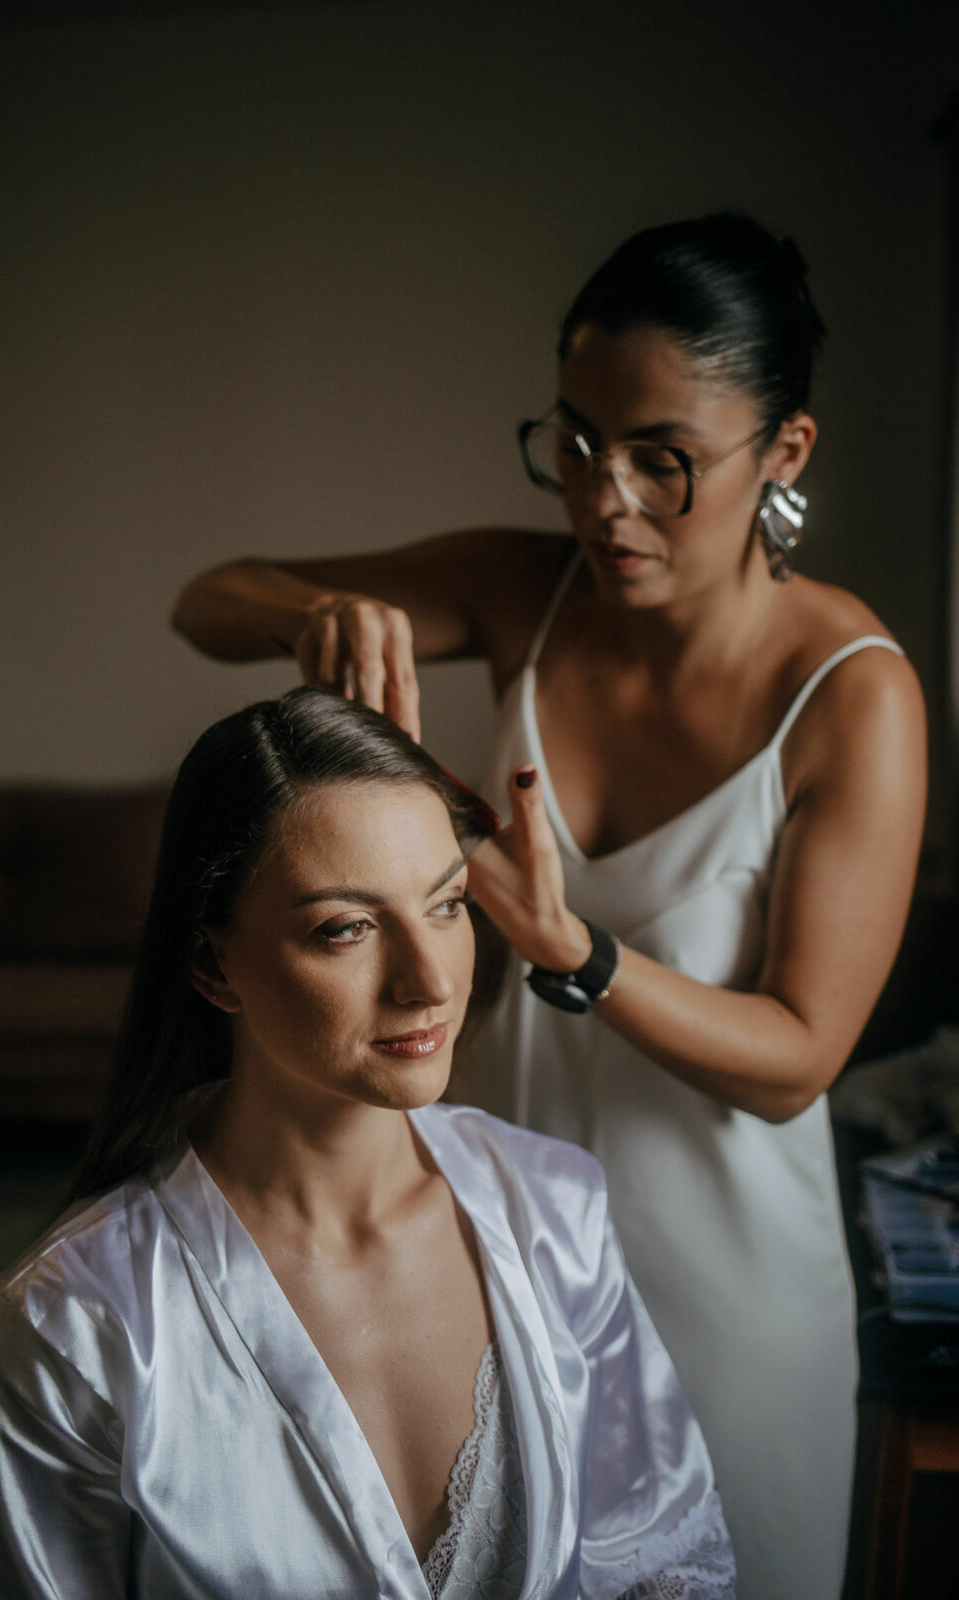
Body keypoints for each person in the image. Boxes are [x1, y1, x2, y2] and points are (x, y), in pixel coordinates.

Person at [170, 214, 928, 1599]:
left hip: (731, 1279)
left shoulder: (854, 694)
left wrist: (571, 953)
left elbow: (799, 1059)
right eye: (574, 442)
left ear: (785, 455)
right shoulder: (530, 590)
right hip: (493, 1237)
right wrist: (318, 611)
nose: (602, 502)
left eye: (660, 461)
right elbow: (201, 600)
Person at [0, 687, 735, 1600]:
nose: (428, 980)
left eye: (447, 905)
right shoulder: (79, 1323)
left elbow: (662, 1561)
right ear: (214, 963)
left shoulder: (554, 1209)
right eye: (346, 929)